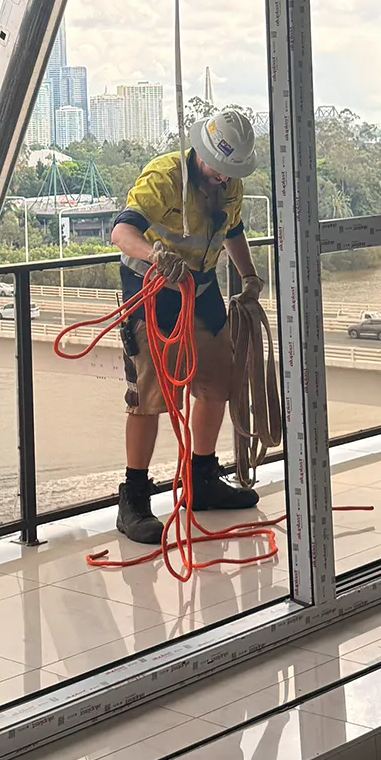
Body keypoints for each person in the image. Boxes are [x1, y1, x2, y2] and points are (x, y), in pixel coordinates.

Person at [110, 110, 264, 545]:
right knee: (149, 396)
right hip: (152, 290)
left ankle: (202, 479)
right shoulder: (164, 177)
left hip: (203, 287)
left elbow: (232, 231)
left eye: (230, 172)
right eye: (219, 168)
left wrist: (249, 276)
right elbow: (121, 233)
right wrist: (155, 255)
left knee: (218, 382)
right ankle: (134, 498)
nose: (223, 178)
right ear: (201, 152)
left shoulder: (228, 183)